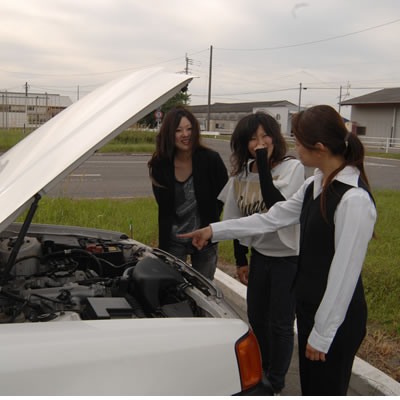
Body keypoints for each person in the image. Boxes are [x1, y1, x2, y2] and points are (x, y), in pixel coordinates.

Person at [179, 105, 377, 396]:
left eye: (298, 141)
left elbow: (344, 275)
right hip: (311, 307)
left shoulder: (354, 200)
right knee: (312, 387)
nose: (295, 147)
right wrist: (214, 231)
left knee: (326, 390)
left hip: (336, 319)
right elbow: (272, 218)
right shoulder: (315, 184)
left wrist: (322, 335)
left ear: (319, 147)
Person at [217, 112, 305, 394]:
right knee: (256, 318)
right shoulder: (241, 176)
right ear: (243, 144)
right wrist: (241, 261)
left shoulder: (293, 169)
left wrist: (264, 166)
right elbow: (234, 220)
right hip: (261, 258)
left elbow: (280, 210)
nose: (260, 142)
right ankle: (264, 371)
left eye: (265, 135)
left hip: (288, 259)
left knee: (280, 324)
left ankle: (276, 382)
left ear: (275, 136)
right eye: (252, 138)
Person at [148, 106, 228, 280]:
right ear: (169, 134)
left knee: (205, 291)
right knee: (174, 291)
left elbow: (223, 196)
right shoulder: (160, 165)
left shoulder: (211, 159)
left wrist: (209, 227)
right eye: (178, 130)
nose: (185, 134)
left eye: (189, 128)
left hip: (205, 238)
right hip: (173, 240)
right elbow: (162, 203)